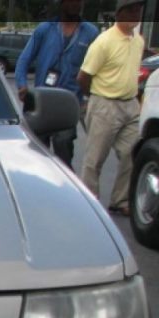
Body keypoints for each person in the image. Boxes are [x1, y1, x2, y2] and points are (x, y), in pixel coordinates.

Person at [78, 0, 145, 216]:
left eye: (138, 10)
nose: (136, 15)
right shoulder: (103, 42)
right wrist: (94, 98)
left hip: (130, 104)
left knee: (131, 154)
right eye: (131, 10)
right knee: (95, 157)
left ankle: (120, 199)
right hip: (105, 103)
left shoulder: (138, 40)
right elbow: (83, 76)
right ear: (119, 14)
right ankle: (90, 200)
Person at [15, 0, 98, 168]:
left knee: (63, 149)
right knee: (36, 154)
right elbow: (24, 60)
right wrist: (22, 84)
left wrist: (89, 97)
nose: (76, 4)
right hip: (42, 101)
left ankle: (64, 180)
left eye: (80, 1)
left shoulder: (90, 32)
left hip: (68, 103)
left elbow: (97, 67)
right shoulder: (45, 29)